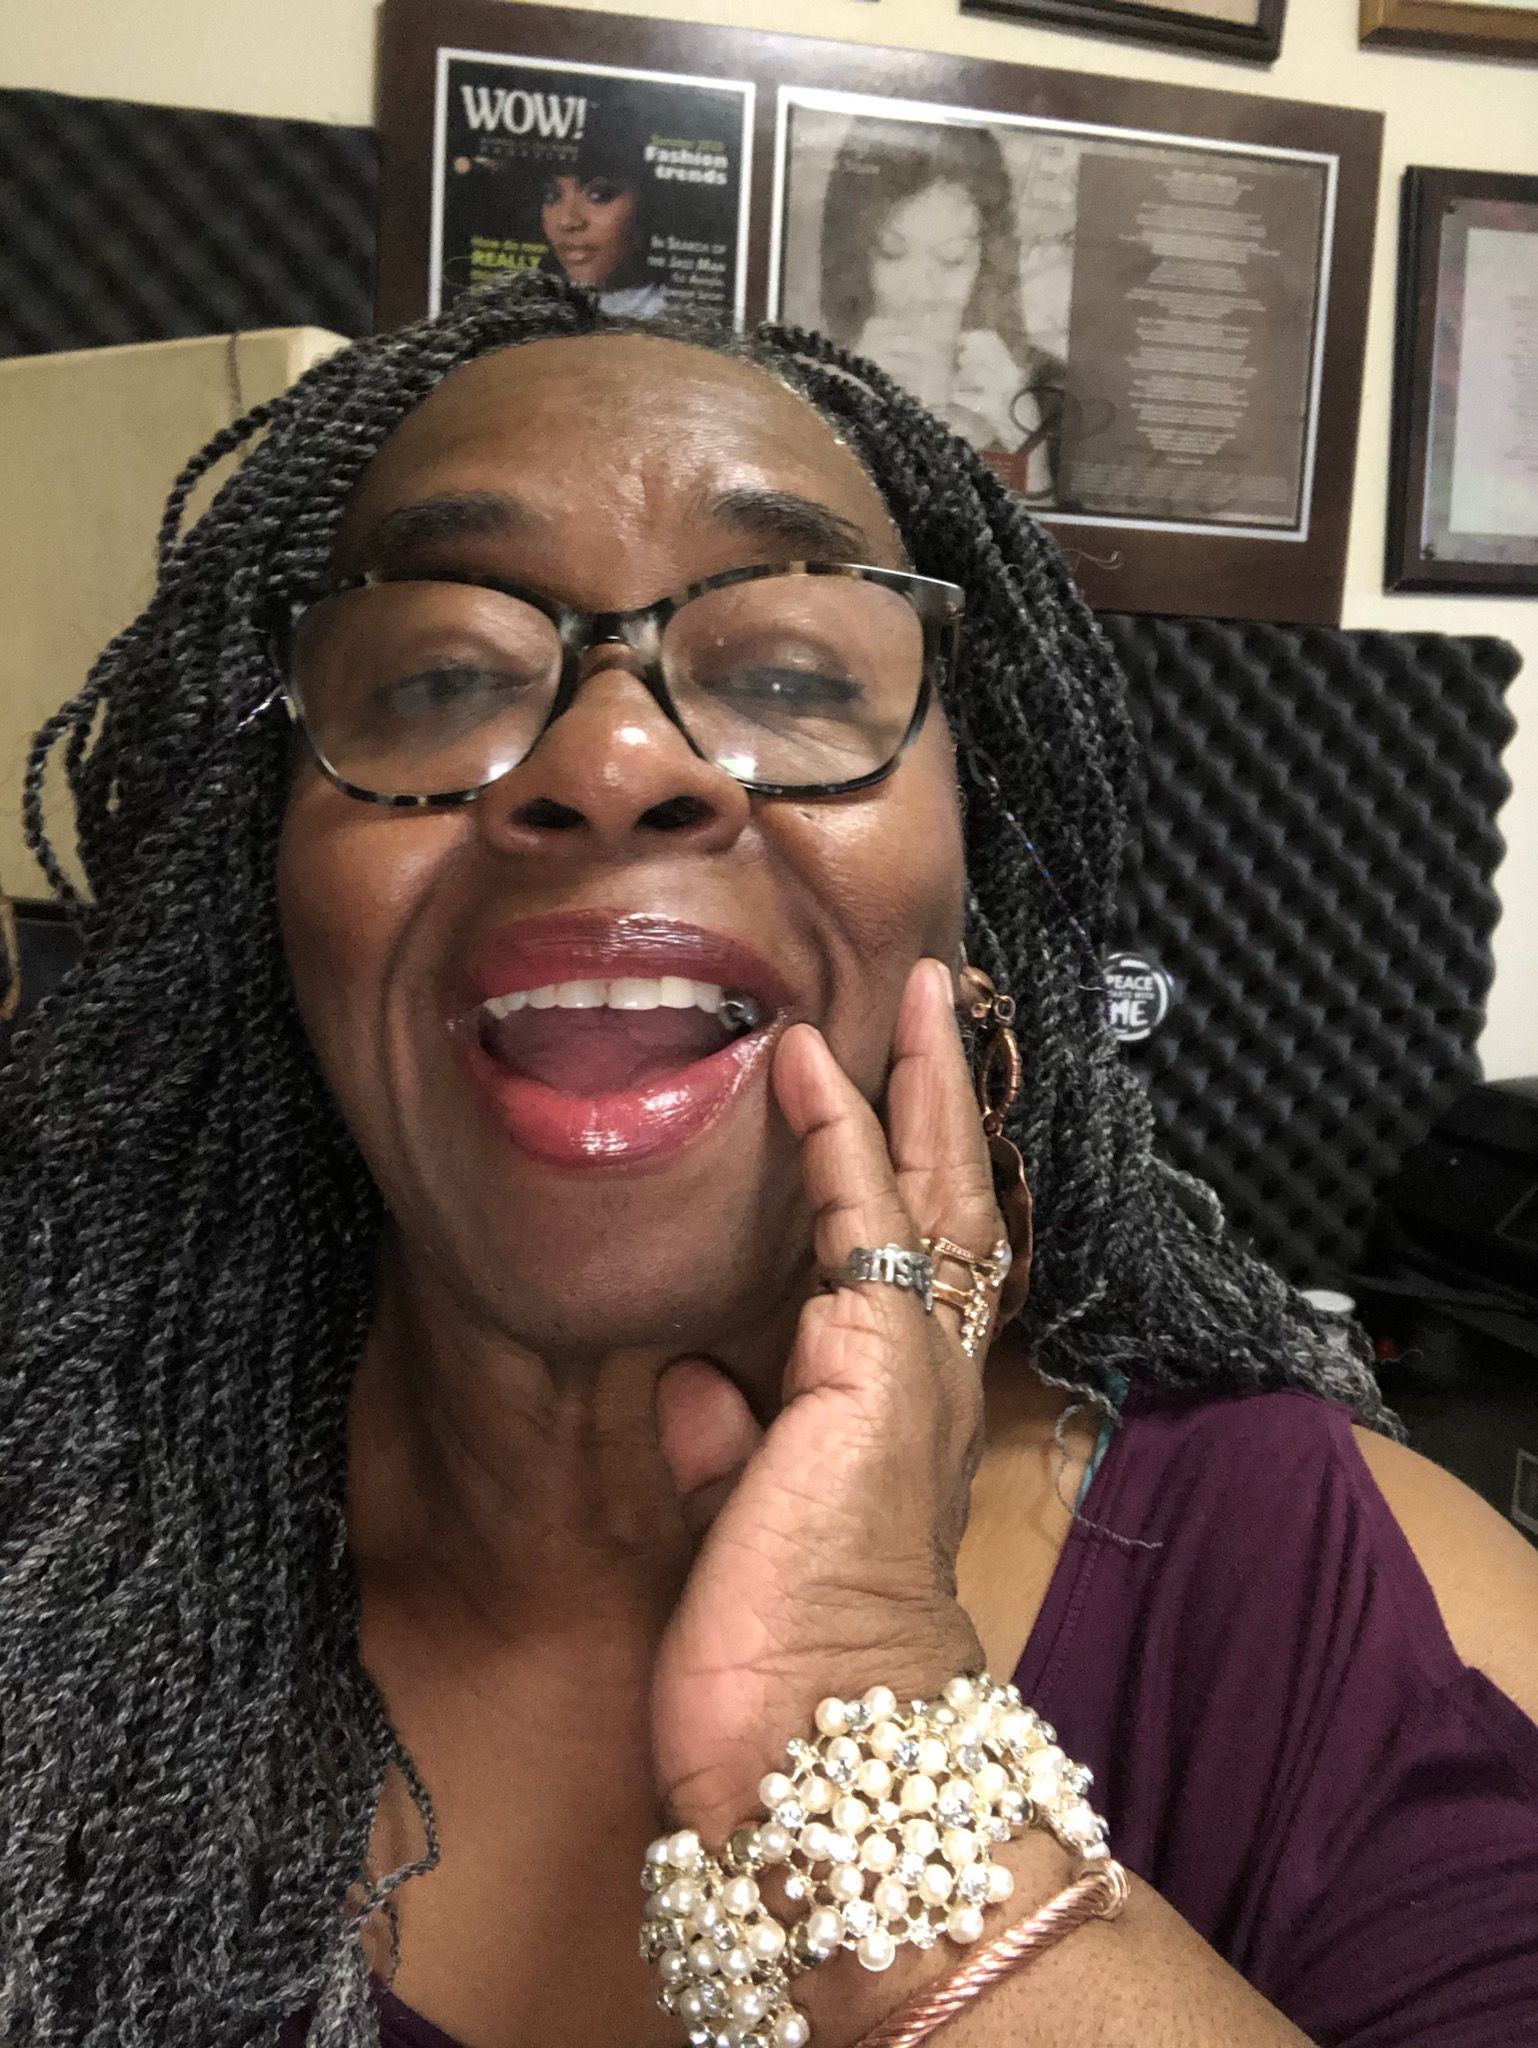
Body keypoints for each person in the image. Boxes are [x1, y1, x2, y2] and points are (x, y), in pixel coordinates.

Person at [0, 271, 1534, 2048]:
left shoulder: (1345, 1588)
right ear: (267, 911)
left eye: (793, 671)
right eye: (434, 674)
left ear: (986, 910)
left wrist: (859, 1720)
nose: (611, 756)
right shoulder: (51, 1553)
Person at [816, 120, 1062, 504]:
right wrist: (841, 416)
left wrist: (1024, 444)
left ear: (987, 262)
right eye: (891, 253)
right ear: (856, 256)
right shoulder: (815, 375)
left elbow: (1060, 556)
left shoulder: (1046, 394)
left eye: (952, 259)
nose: (920, 291)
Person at [539, 130, 666, 319]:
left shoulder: (691, 312)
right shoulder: (534, 305)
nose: (567, 221)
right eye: (553, 196)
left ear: (650, 202)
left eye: (599, 195)